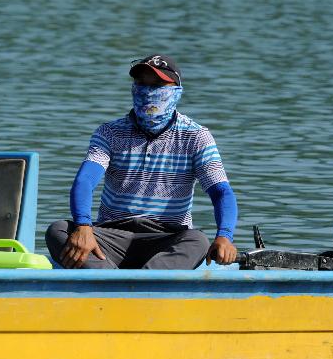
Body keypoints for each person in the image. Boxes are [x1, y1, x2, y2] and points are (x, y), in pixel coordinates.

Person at [45, 54, 238, 269]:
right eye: (141, 84)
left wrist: (225, 236)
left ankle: (114, 283)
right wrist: (83, 226)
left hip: (166, 237)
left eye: (156, 85)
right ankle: (123, 284)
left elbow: (221, 192)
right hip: (110, 235)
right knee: (58, 230)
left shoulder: (195, 136)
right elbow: (85, 182)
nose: (147, 91)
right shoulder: (110, 132)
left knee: (197, 241)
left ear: (176, 90)